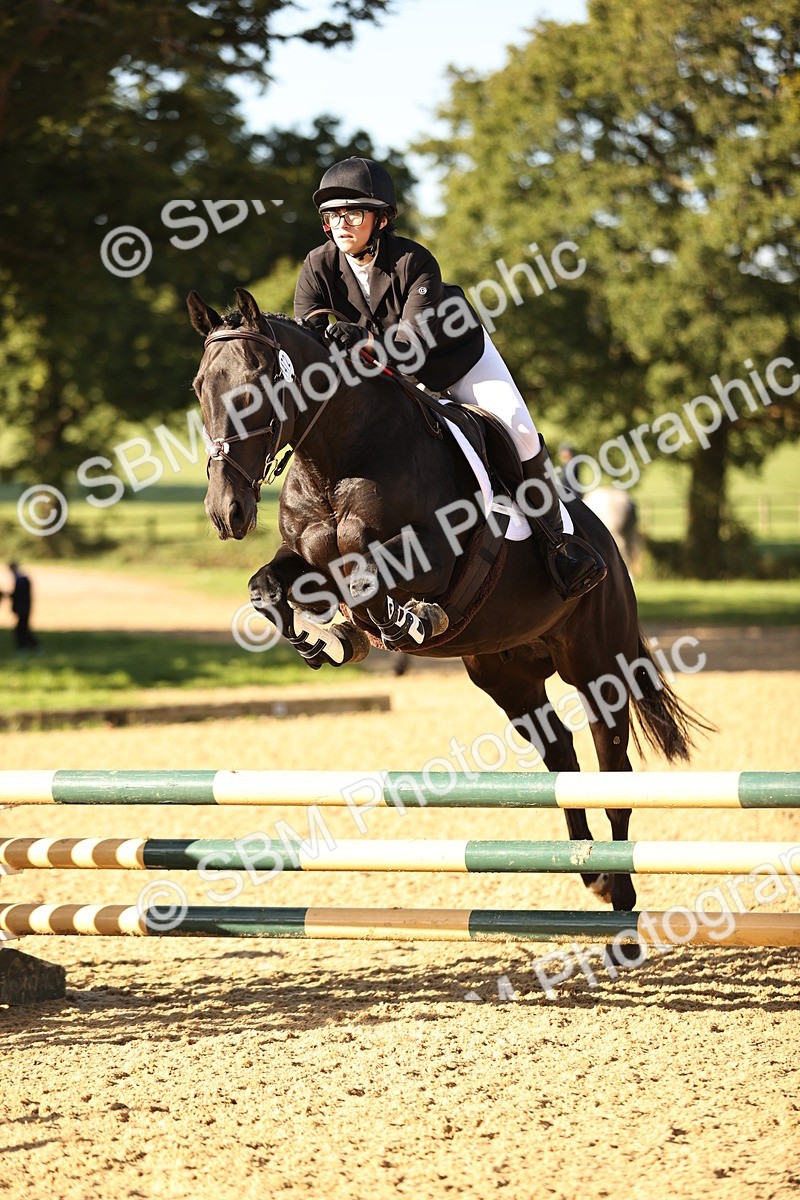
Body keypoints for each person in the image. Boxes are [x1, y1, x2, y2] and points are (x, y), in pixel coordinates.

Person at [294, 157, 606, 601]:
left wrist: (362, 336)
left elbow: (410, 346)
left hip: (454, 361)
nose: (340, 224)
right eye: (332, 216)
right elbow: (308, 343)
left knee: (517, 429)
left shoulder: (415, 262)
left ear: (380, 219)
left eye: (352, 213)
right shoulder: (317, 266)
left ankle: (560, 543)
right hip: (383, 377)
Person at [6, 562, 40, 655]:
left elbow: (20, 595)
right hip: (23, 609)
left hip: (23, 609)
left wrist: (10, 596)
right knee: (22, 629)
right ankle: (31, 647)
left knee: (21, 629)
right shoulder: (21, 579)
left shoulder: (22, 580)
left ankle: (28, 648)